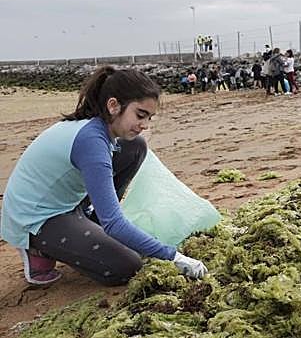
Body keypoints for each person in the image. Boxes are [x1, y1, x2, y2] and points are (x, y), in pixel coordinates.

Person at [0, 66, 209, 286]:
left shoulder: (101, 129)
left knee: (135, 146)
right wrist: (173, 256)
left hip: (66, 202)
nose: (145, 125)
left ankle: (91, 225)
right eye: (140, 115)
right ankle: (36, 250)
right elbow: (115, 224)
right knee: (127, 266)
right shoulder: (91, 141)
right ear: (113, 106)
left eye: (149, 118)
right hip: (34, 218)